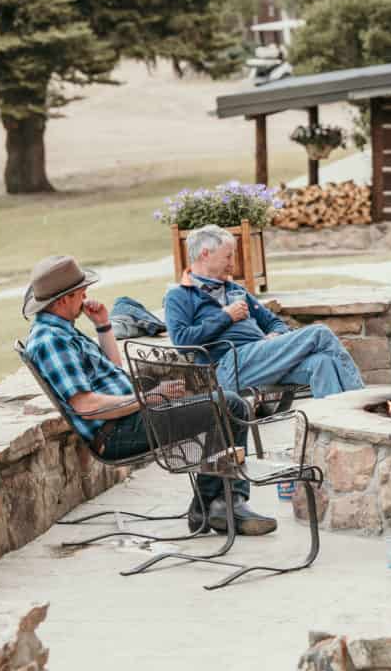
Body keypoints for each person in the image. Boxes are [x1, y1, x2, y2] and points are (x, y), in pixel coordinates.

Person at [23, 255, 277, 535]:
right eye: (80, 292)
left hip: (131, 416)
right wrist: (149, 398)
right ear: (62, 300)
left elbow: (113, 370)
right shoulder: (51, 341)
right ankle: (220, 506)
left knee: (227, 403)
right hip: (117, 431)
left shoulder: (63, 331)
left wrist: (103, 325)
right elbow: (86, 406)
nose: (86, 295)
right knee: (229, 405)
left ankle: (217, 506)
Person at [164, 224, 364, 398]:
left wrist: (275, 335)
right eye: (228, 256)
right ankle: (362, 403)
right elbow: (182, 341)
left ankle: (340, 429)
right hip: (228, 365)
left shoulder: (235, 290)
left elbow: (274, 322)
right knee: (319, 333)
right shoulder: (180, 295)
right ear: (205, 254)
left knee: (323, 363)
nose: (233, 264)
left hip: (262, 357)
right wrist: (226, 316)